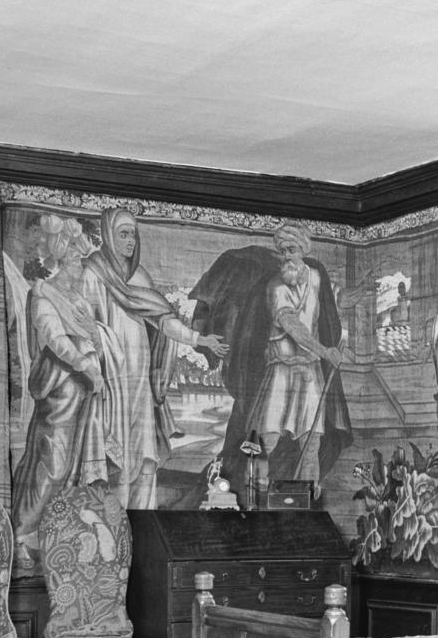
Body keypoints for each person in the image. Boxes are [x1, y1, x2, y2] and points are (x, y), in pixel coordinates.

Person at [75, 206, 227, 509]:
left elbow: (164, 321)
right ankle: (114, 522)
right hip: (111, 382)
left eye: (133, 234)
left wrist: (200, 339)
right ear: (108, 235)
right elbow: (83, 327)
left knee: (145, 458)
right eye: (123, 234)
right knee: (116, 459)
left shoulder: (141, 277)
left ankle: (143, 519)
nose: (130, 241)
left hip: (140, 382)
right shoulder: (94, 273)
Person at [189, 222, 353, 497]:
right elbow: (291, 324)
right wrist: (326, 351)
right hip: (280, 372)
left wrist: (331, 342)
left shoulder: (316, 278)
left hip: (310, 374)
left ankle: (302, 505)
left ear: (303, 250)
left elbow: (325, 310)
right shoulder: (275, 286)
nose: (287, 256)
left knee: (311, 442)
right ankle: (256, 499)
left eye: (293, 250)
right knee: (266, 441)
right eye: (283, 250)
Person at [9, 215, 111, 539]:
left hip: (85, 393)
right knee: (51, 463)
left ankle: (59, 536)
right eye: (76, 264)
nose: (81, 271)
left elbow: (97, 341)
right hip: (60, 389)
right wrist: (87, 366)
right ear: (62, 263)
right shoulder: (43, 295)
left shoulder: (80, 301)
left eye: (81, 264)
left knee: (76, 464)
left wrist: (95, 338)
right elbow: (55, 341)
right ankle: (26, 535)